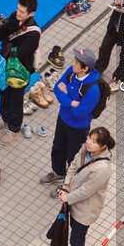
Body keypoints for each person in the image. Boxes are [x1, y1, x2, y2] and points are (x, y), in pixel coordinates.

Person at [55, 127, 114, 246]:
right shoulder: (85, 148)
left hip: (86, 209)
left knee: (77, 240)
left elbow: (87, 191)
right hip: (74, 202)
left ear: (102, 146)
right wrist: (66, 185)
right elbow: (73, 165)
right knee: (74, 235)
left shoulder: (103, 168)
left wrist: (68, 197)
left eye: (94, 141)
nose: (89, 142)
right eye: (89, 137)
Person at [40, 48, 101, 185]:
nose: (73, 63)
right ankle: (58, 173)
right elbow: (56, 88)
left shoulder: (92, 90)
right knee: (57, 148)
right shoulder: (71, 72)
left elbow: (78, 113)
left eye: (76, 62)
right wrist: (72, 101)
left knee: (73, 157)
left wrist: (66, 94)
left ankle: (68, 184)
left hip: (78, 128)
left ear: (85, 68)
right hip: (62, 119)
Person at [0, 0, 41, 141]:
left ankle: (14, 128)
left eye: (22, 12)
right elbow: (0, 37)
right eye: (17, 9)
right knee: (3, 93)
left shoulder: (33, 33)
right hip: (5, 64)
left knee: (15, 99)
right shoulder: (14, 17)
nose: (17, 13)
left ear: (31, 13)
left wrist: (8, 43)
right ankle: (4, 118)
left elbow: (21, 53)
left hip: (20, 70)